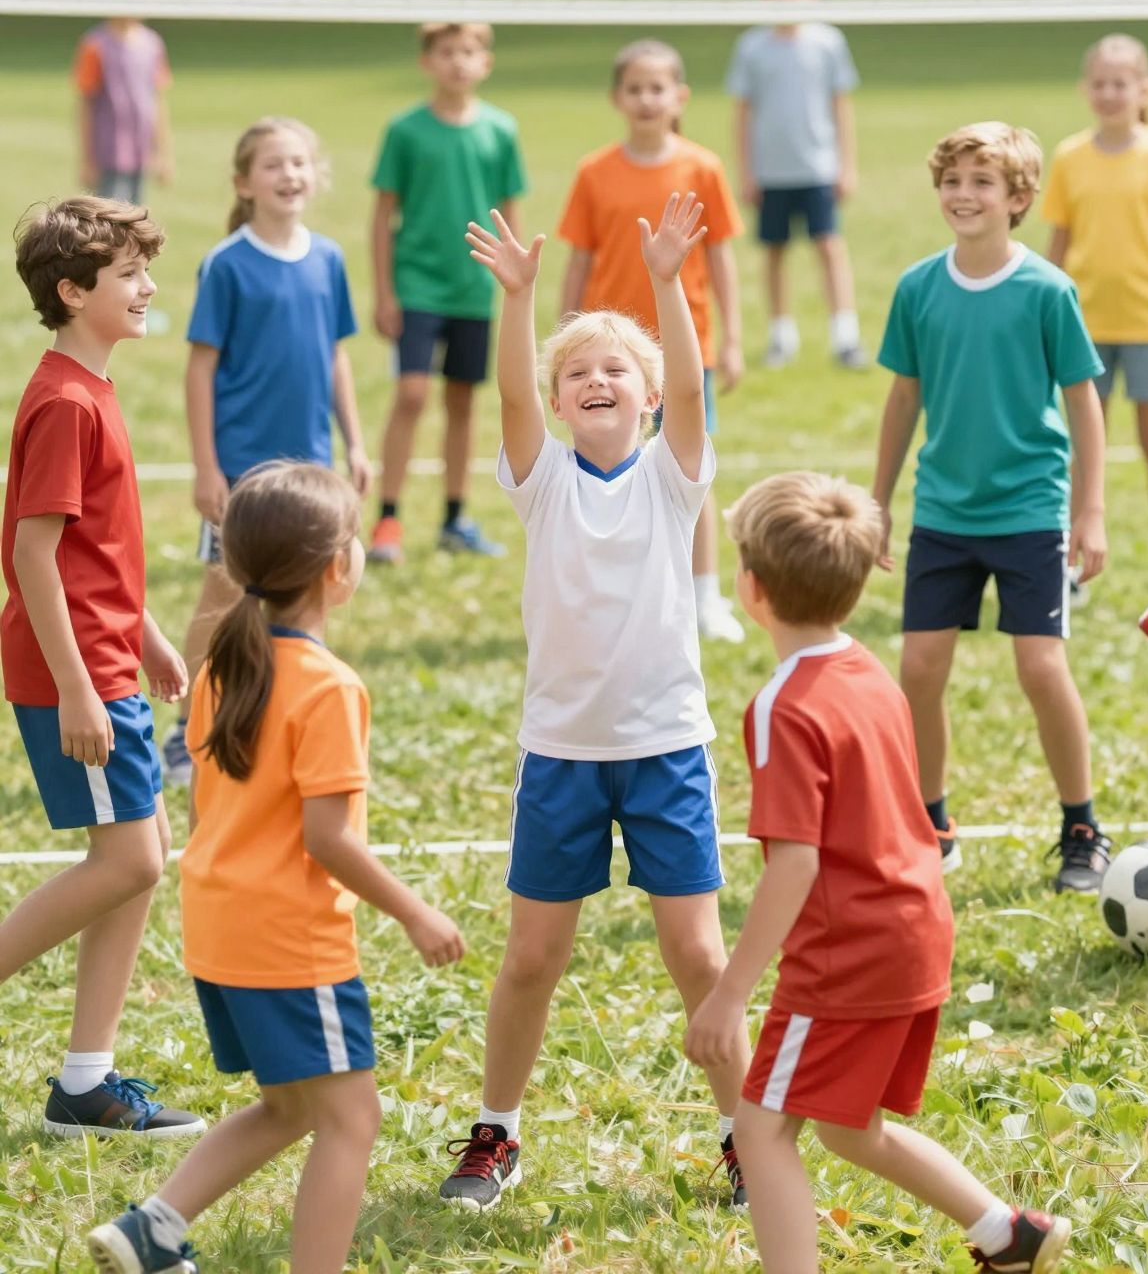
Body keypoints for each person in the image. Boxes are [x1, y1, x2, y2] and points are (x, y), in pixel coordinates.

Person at [437, 195, 750, 1211]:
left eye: (617, 368)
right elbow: (511, 401)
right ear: (561, 402)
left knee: (699, 952)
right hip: (562, 751)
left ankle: (744, 1135)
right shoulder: (543, 481)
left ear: (649, 397)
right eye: (578, 373)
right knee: (531, 955)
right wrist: (521, 300)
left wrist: (665, 280)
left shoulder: (672, 475)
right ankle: (498, 1131)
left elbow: (696, 389)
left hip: (664, 748)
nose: (597, 379)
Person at [683, 469, 1071, 1274]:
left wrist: (729, 994)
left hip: (846, 954)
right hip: (917, 928)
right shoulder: (866, 667)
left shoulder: (781, 705)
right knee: (845, 1125)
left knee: (760, 1131)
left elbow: (794, 863)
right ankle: (1009, 1234)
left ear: (750, 589)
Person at [87, 460, 465, 1274]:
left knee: (292, 1106)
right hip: (290, 943)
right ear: (339, 569)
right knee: (351, 1120)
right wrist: (415, 911)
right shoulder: (328, 686)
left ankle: (154, 1226)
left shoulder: (222, 665)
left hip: (218, 928)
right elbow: (329, 838)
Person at [0, 198, 202, 1140]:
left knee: (136, 863)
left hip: (109, 652)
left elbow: (91, 554)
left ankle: (87, 1081)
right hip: (74, 670)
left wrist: (149, 634)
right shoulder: (65, 402)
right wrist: (80, 683)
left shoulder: (91, 386)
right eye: (128, 275)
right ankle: (84, 1080)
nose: (148, 287)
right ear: (73, 292)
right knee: (131, 857)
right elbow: (31, 556)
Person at [872, 122, 1110, 893]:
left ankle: (1081, 826)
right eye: (952, 181)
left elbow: (1084, 404)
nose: (963, 195)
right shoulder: (918, 287)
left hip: (1030, 509)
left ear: (1018, 200)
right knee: (919, 667)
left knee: (1041, 668)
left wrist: (1090, 511)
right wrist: (876, 500)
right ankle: (930, 820)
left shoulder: (1047, 289)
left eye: (982, 183)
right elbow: (904, 394)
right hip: (943, 510)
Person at [161, 117, 370, 790]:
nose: (289, 175)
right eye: (274, 165)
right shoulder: (227, 263)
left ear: (316, 175)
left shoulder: (328, 258)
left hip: (310, 467)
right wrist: (205, 465)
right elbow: (200, 369)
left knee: (311, 591)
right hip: (242, 468)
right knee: (225, 592)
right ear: (244, 184)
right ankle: (187, 727)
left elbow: (337, 356)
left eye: (299, 164)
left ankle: (297, 716)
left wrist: (355, 441)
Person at [556, 37, 745, 641]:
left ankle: (705, 596)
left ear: (679, 97)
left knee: (690, 469)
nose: (646, 98)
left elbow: (721, 260)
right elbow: (579, 262)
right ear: (617, 97)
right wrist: (565, 341)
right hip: (607, 358)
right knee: (599, 470)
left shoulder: (702, 167)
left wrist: (733, 338)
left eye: (657, 88)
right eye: (634, 88)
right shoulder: (593, 172)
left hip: (682, 352)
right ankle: (605, 589)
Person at [368, 20, 528, 566]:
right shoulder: (406, 130)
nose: (458, 61)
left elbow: (511, 211)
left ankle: (455, 518)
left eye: (469, 52)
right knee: (412, 393)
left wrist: (512, 282)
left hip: (473, 288)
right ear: (427, 62)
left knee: (463, 401)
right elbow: (383, 215)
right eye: (446, 52)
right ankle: (388, 517)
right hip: (417, 285)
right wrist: (385, 293)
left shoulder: (501, 129)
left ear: (485, 63)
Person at [727, 0, 867, 370]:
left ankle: (846, 336)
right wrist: (746, 172)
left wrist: (847, 165)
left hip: (818, 167)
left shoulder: (828, 41)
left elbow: (841, 107)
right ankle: (780, 336)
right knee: (774, 251)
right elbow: (742, 114)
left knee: (828, 247)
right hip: (771, 171)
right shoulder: (751, 46)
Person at [1043, 35, 1148, 522]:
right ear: (1086, 89)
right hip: (1085, 322)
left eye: (1121, 84)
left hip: (1147, 323)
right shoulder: (1070, 157)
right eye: (1100, 84)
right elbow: (1060, 241)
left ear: (1143, 89)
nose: (1110, 93)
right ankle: (1072, 563)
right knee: (1085, 448)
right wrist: (1043, 309)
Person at [74, 0, 173, 204]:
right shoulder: (95, 45)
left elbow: (157, 101)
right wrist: (87, 159)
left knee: (136, 217)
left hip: (140, 149)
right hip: (108, 150)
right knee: (108, 217)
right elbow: (86, 104)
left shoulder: (152, 43)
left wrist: (162, 154)